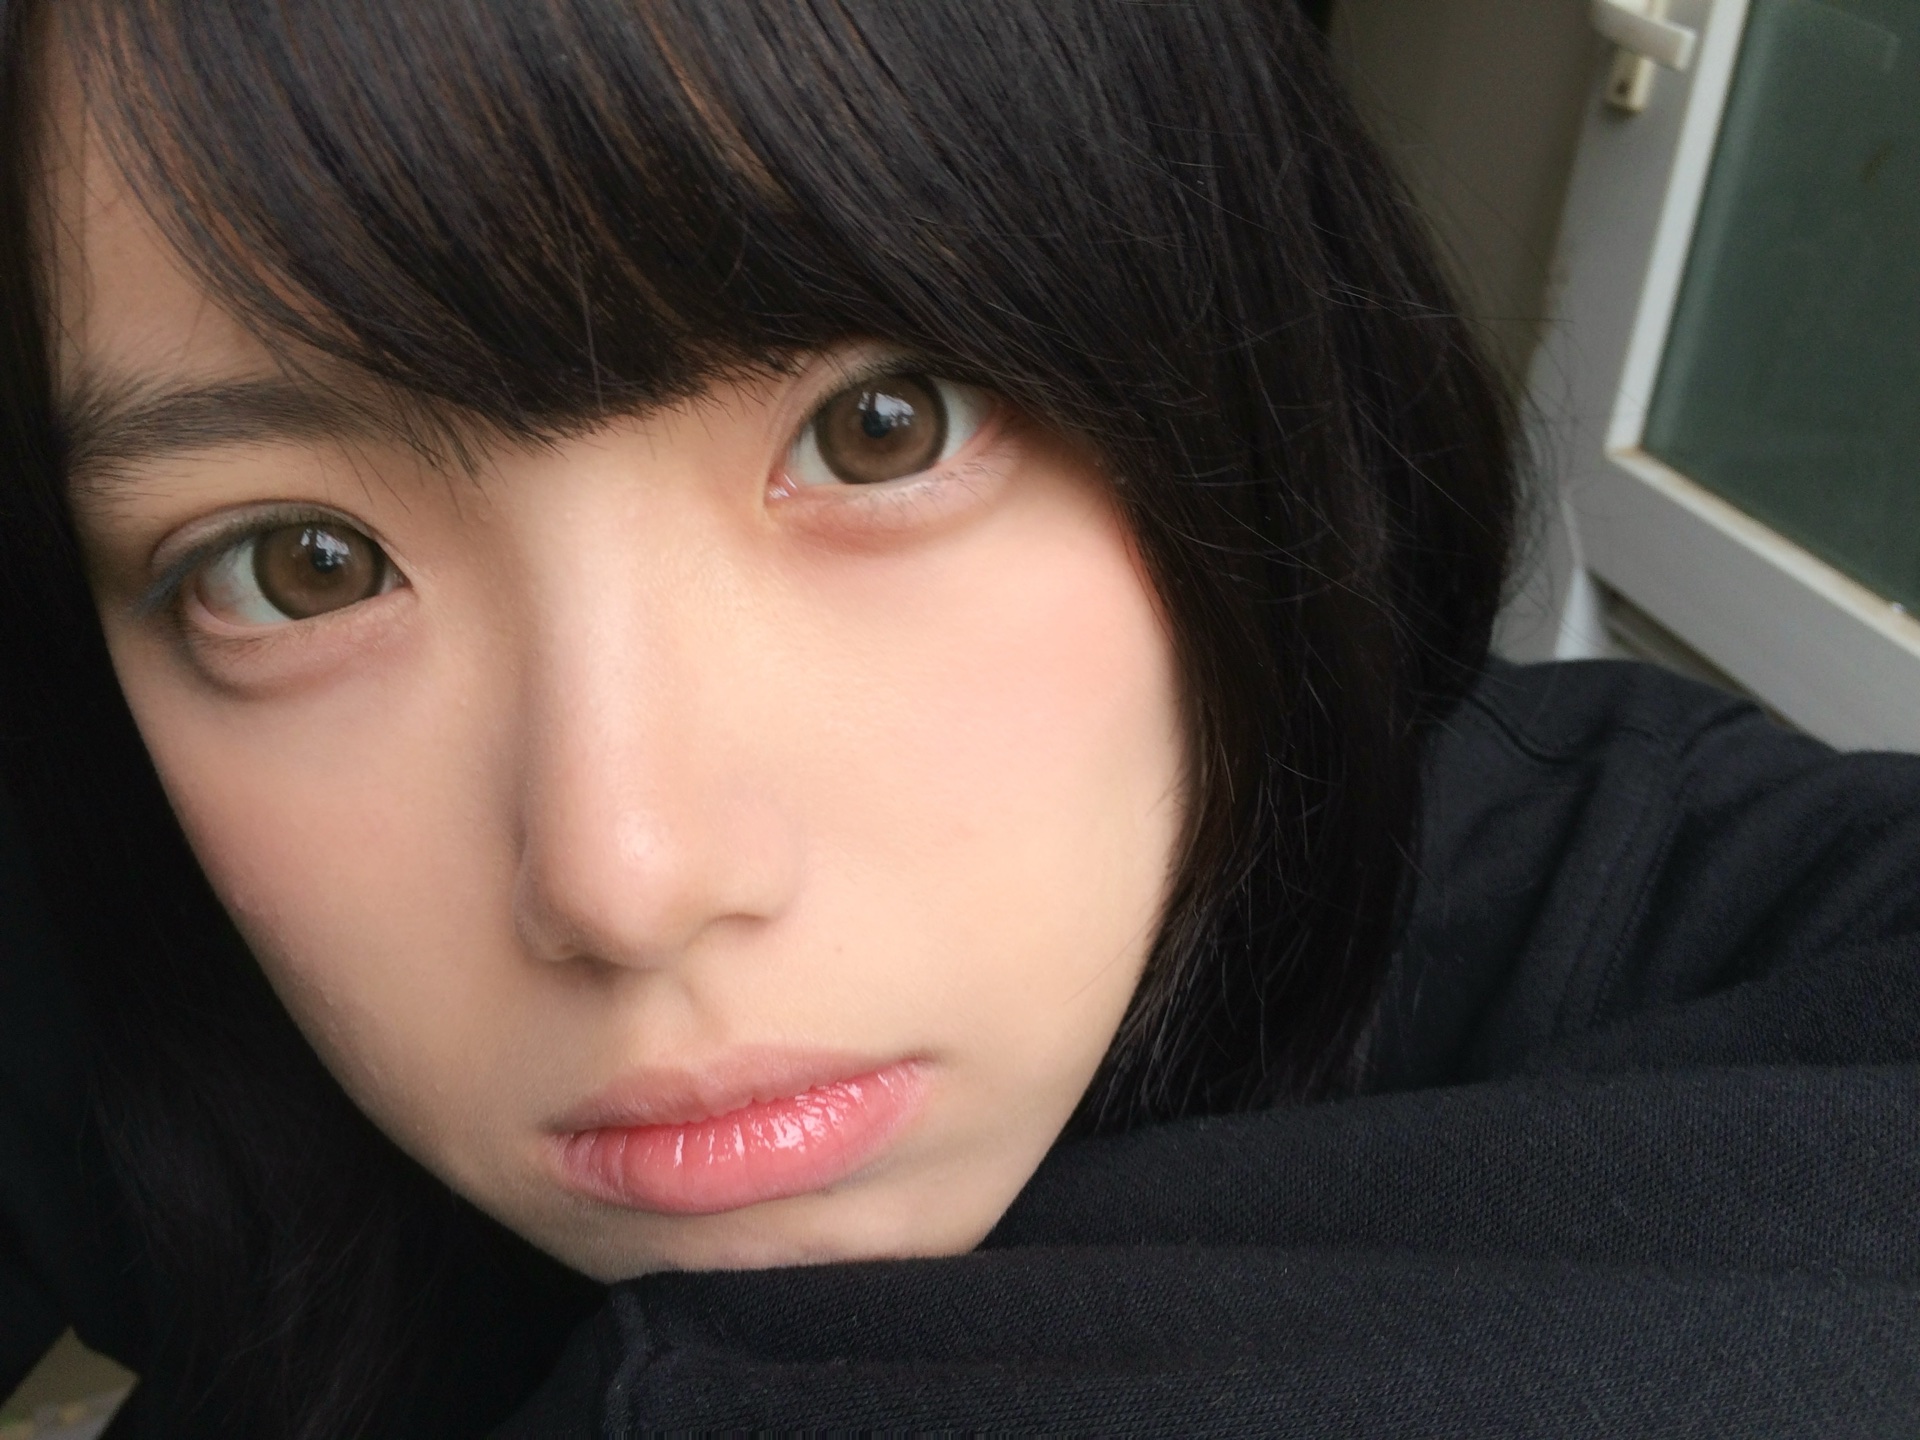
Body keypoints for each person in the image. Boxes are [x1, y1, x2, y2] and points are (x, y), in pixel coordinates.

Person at [0, 2, 1916, 1436]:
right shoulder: (124, 980)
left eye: (877, 430)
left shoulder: (1672, 909)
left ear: (1235, 390)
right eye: (302, 567)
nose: (627, 879)